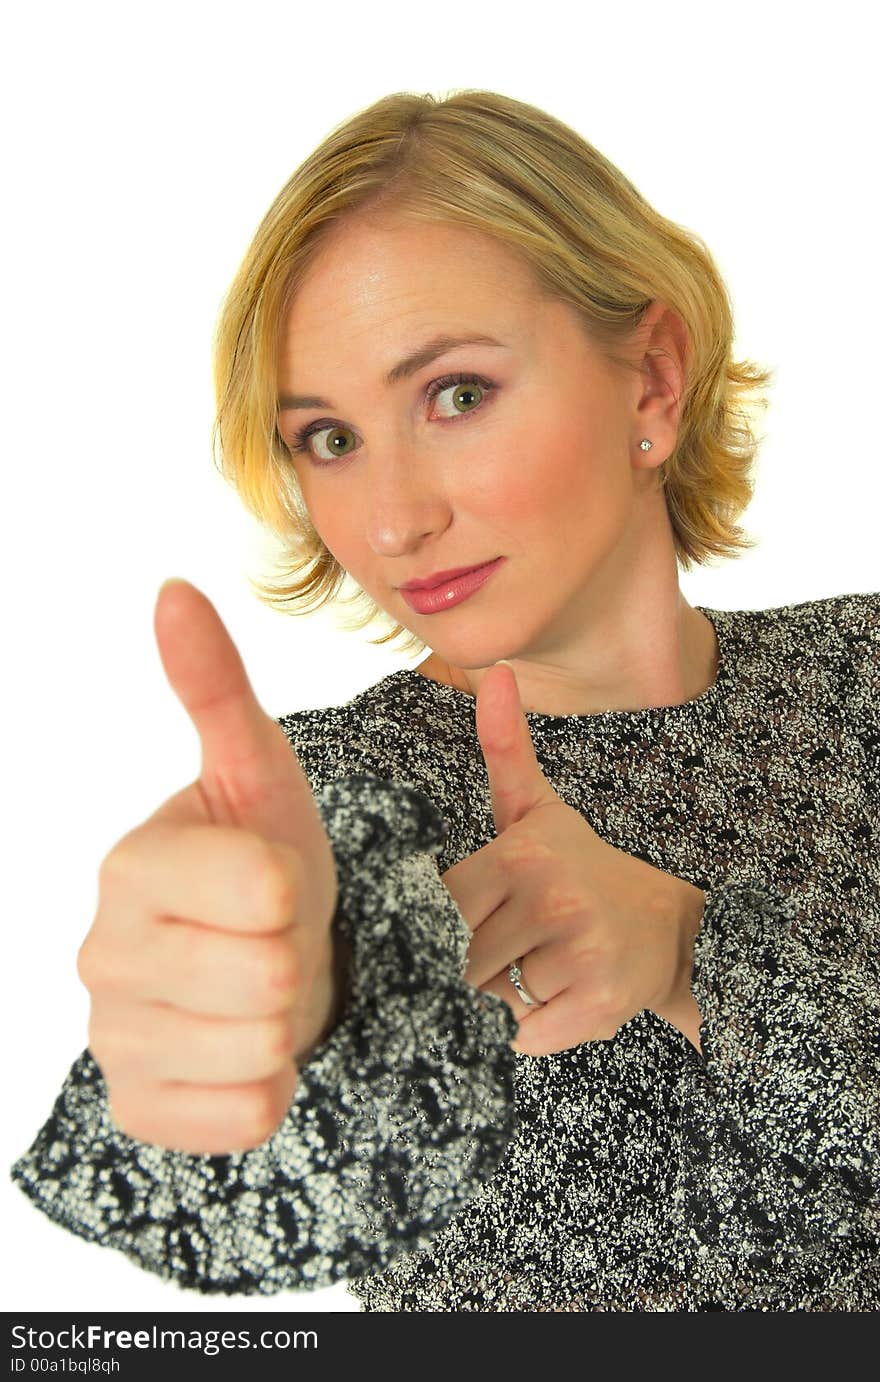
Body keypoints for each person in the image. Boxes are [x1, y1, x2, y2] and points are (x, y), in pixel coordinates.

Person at [10, 89, 879, 1311]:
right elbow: (224, 1161)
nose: (391, 517)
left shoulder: (861, 675)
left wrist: (694, 952)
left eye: (456, 394)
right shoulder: (339, 797)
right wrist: (210, 1035)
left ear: (651, 382)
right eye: (327, 438)